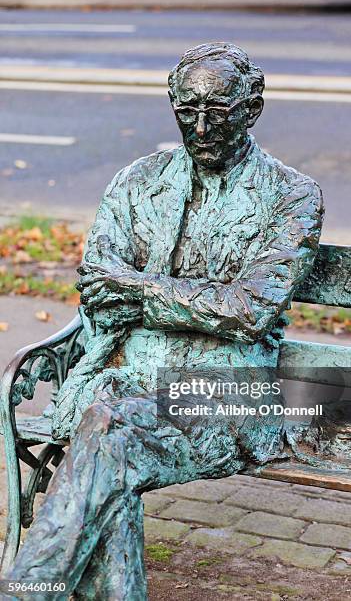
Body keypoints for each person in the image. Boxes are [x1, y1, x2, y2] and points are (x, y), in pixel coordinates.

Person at [5, 42, 324, 600]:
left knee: (105, 436)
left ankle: (30, 591)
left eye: (217, 113)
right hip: (117, 385)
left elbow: (250, 310)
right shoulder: (137, 182)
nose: (200, 129)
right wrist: (196, 301)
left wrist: (144, 290)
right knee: (108, 440)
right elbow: (98, 290)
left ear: (252, 108)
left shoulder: (291, 196)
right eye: (186, 113)